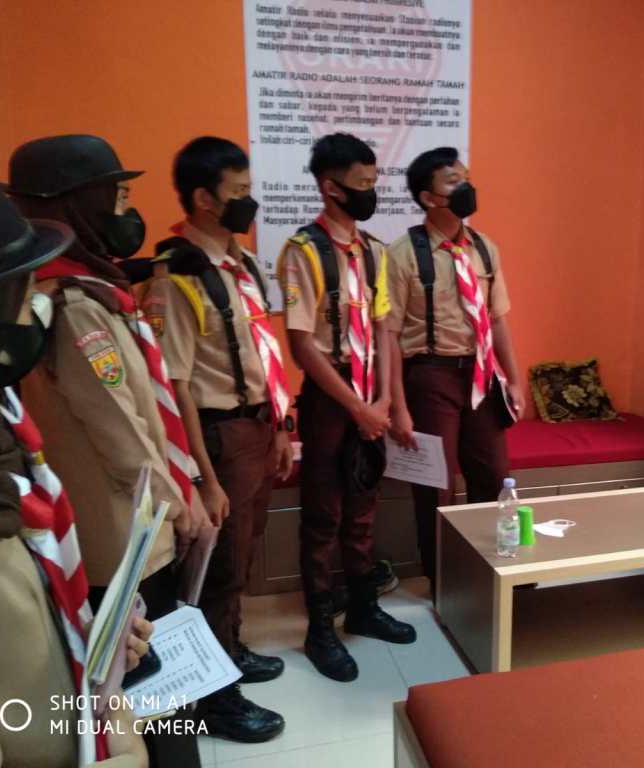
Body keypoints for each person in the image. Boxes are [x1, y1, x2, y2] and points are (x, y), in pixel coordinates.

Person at [0, 162, 150, 767]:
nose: (33, 320)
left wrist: (79, 643)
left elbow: (6, 646)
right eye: (22, 300)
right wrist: (126, 750)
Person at [4, 134, 207, 767]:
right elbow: (121, 434)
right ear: (79, 205)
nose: (128, 213)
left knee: (156, 694)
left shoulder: (94, 291)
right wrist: (181, 503)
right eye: (117, 198)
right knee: (154, 700)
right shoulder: (72, 308)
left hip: (133, 523)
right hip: (125, 542)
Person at [155, 136, 291, 741]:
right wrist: (203, 478)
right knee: (219, 569)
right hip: (219, 437)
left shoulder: (245, 264)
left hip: (257, 426)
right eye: (238, 193)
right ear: (204, 199)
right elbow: (177, 385)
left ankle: (229, 650)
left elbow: (265, 351)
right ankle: (214, 700)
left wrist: (281, 426)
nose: (249, 202)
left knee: (243, 555)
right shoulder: (175, 276)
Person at [278, 133, 417, 682]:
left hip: (369, 398)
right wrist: (357, 406)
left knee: (363, 507)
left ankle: (363, 606)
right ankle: (319, 628)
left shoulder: (375, 253)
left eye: (373, 183)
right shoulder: (303, 252)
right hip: (331, 400)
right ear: (330, 187)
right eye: (362, 184)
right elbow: (301, 344)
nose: (371, 193)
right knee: (324, 515)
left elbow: (384, 331)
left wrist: (384, 400)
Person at [386, 147, 525, 597]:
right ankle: (444, 580)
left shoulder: (484, 248)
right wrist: (397, 406)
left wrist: (514, 379)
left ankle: (494, 568)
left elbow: (497, 320)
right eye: (453, 181)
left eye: (466, 177)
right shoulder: (403, 254)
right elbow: (388, 334)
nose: (466, 187)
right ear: (429, 198)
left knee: (494, 473)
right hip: (430, 375)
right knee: (436, 486)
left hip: (481, 374)